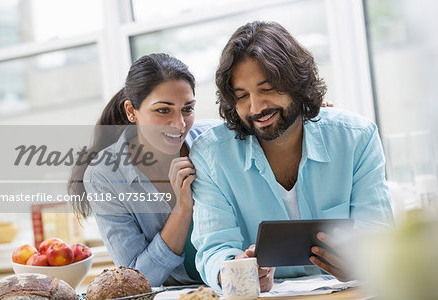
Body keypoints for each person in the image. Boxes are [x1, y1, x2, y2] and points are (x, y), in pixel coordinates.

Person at [189, 21, 394, 292]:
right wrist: (235, 270)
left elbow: (378, 235)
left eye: (267, 89)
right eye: (242, 96)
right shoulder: (211, 155)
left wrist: (362, 261)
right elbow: (213, 248)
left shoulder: (356, 138)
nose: (255, 107)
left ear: (296, 83)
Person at [67, 53, 220, 286]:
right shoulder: (105, 176)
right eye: (163, 110)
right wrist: (182, 208)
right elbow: (138, 279)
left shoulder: (214, 140)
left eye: (187, 109)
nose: (179, 124)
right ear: (131, 111)